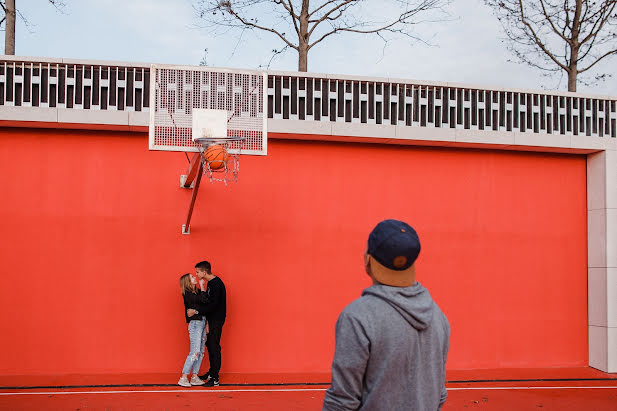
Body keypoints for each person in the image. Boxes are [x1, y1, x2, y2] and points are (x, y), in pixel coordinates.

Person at [323, 219, 450, 411]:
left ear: (368, 259)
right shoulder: (438, 317)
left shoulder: (358, 317)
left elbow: (342, 401)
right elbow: (439, 395)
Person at [189, 260, 227, 387]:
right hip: (211, 319)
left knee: (214, 346)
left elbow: (213, 305)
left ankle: (215, 378)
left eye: (197, 272)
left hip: (216, 320)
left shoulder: (217, 284)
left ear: (204, 272)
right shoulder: (210, 283)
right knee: (210, 346)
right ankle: (211, 373)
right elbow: (208, 302)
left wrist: (196, 311)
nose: (196, 274)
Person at [177, 273, 207, 387]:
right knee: (195, 351)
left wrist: (197, 311)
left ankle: (194, 376)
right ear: (188, 282)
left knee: (201, 352)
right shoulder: (188, 294)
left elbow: (206, 304)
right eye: (192, 277)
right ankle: (183, 377)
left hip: (202, 322)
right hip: (195, 324)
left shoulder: (197, 292)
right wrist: (203, 287)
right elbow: (202, 302)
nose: (195, 277)